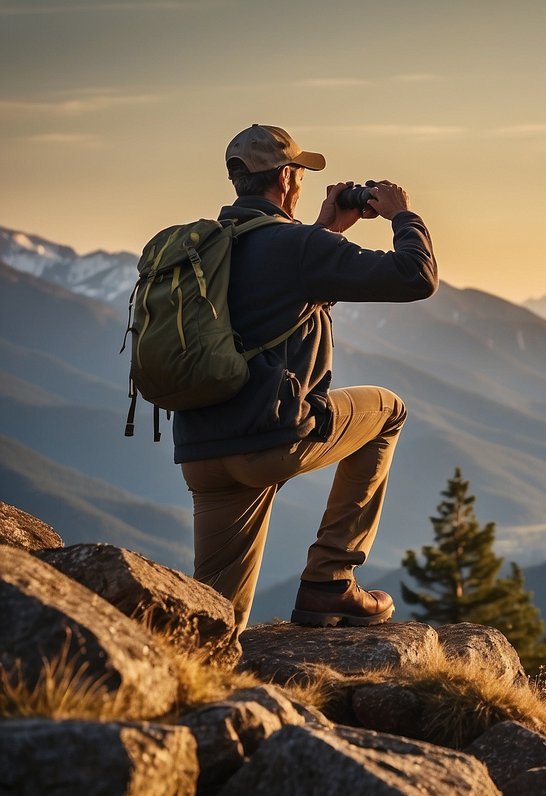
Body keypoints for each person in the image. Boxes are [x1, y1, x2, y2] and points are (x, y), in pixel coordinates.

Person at [174, 124, 437, 631]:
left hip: (203, 450)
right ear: (288, 178)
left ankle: (191, 684)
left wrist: (325, 231)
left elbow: (271, 297)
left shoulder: (204, 245)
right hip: (268, 440)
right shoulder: (296, 246)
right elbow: (415, 277)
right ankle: (330, 581)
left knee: (215, 620)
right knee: (388, 411)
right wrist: (403, 213)